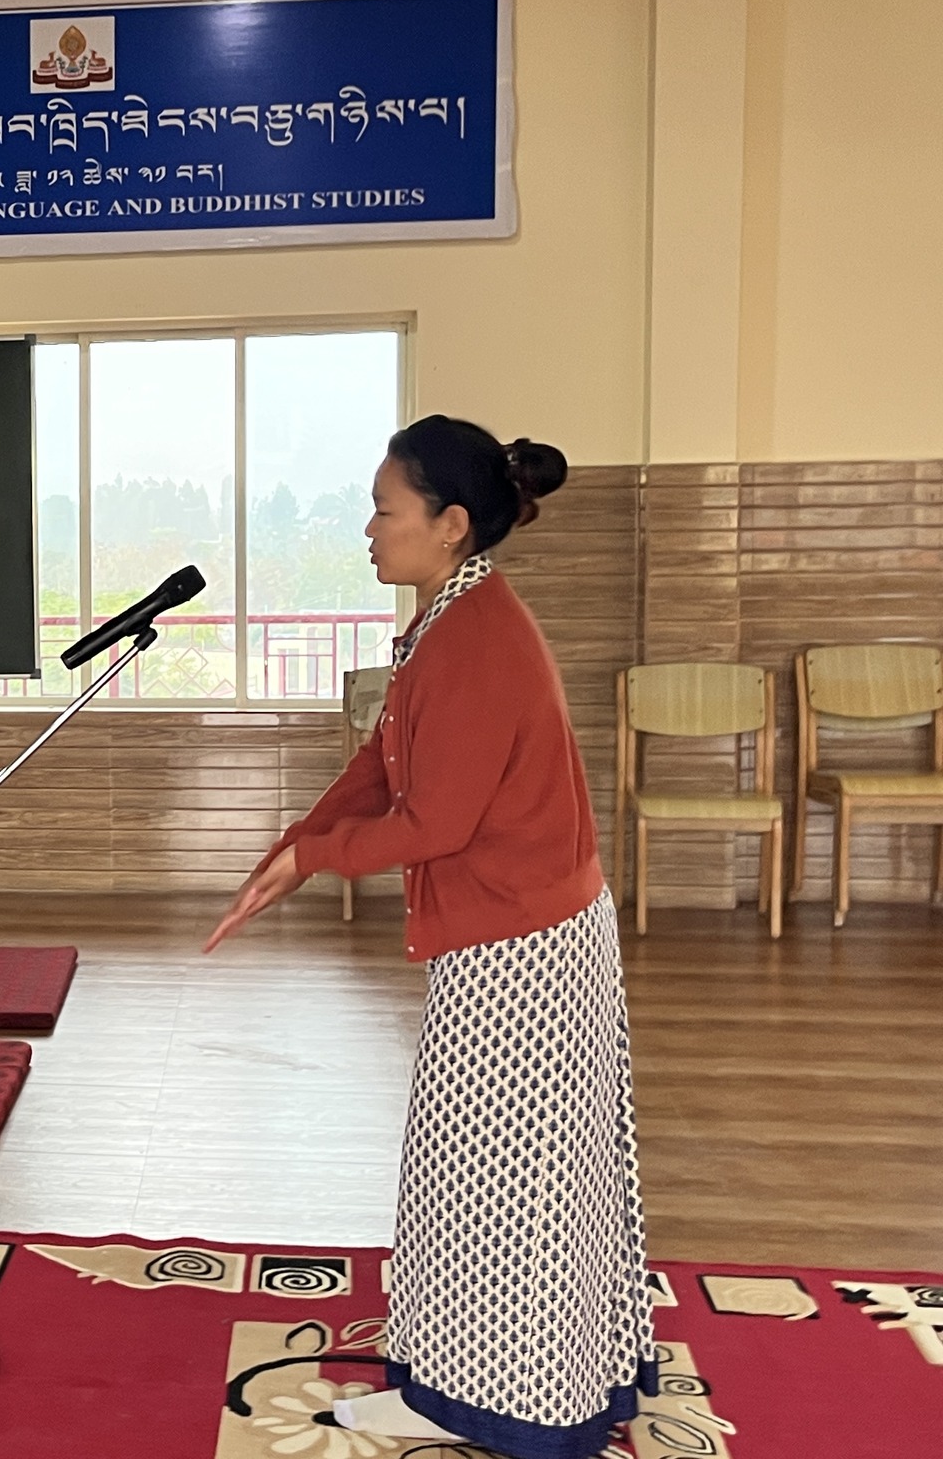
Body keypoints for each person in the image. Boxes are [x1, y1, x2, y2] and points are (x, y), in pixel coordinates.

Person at [205, 416, 656, 1459]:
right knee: (464, 1175)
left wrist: (315, 859)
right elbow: (382, 765)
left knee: (504, 1186)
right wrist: (293, 848)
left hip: (526, 949)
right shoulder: (449, 619)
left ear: (449, 523)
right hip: (510, 931)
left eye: (383, 509)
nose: (368, 529)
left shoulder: (476, 639)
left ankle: (514, 1404)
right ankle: (450, 1388)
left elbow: (434, 823)